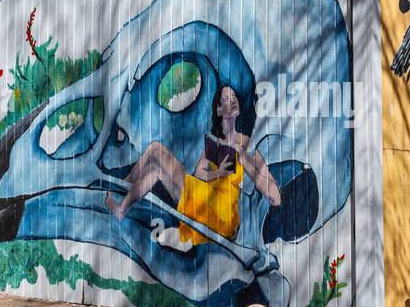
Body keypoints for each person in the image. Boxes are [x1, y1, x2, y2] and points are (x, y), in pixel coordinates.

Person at [106, 85, 281, 243]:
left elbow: (275, 197)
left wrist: (244, 158)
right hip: (203, 198)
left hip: (223, 212)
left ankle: (123, 186)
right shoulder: (215, 142)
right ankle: (122, 208)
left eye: (234, 97)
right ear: (219, 109)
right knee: (153, 171)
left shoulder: (248, 143)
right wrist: (218, 173)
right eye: (226, 99)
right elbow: (199, 174)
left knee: (155, 149)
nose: (232, 101)